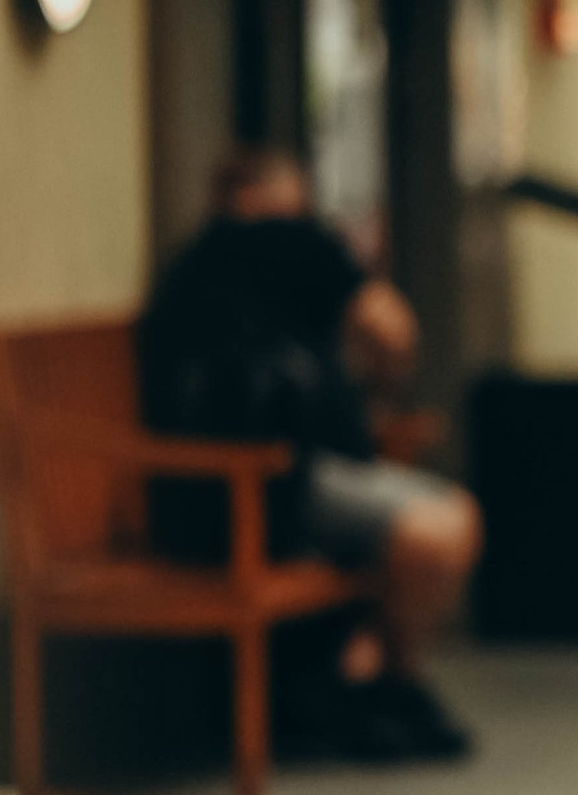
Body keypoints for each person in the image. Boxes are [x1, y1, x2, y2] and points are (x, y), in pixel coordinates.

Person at [140, 146, 482, 762]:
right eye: (292, 200)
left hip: (206, 500)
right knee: (442, 528)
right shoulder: (292, 248)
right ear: (259, 196)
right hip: (266, 490)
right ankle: (387, 685)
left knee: (439, 520)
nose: (298, 214)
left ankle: (355, 674)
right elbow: (394, 332)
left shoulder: (188, 271)